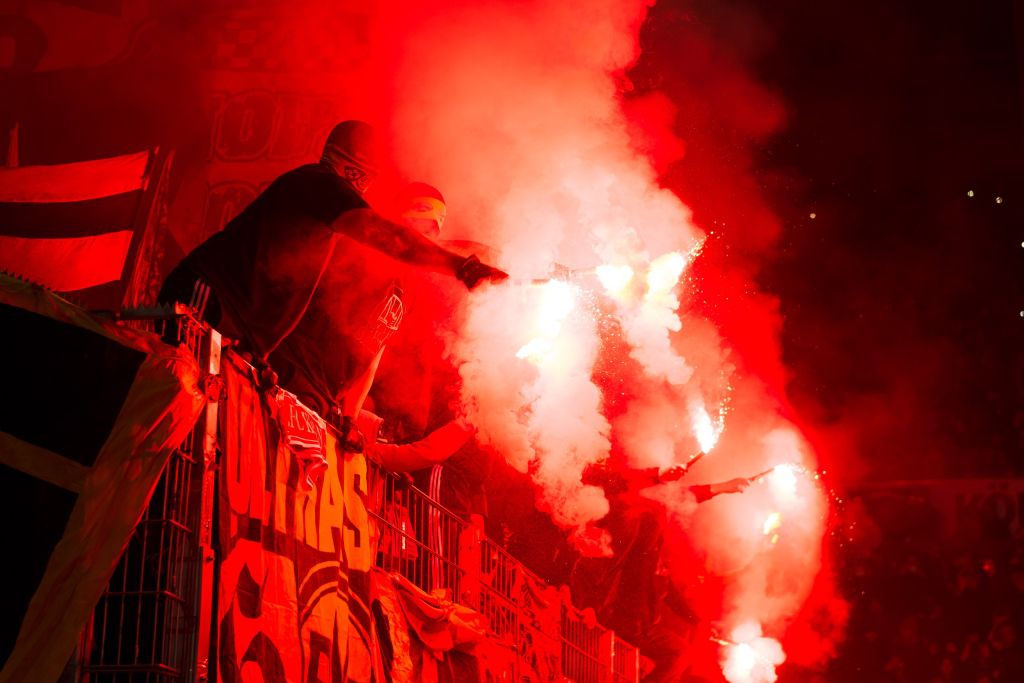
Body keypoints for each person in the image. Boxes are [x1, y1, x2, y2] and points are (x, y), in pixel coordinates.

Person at [159, 121, 506, 371]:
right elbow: (393, 238)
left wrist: (257, 354)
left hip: (233, 325)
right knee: (170, 401)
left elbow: (411, 242)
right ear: (357, 170)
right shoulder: (319, 184)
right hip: (207, 298)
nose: (370, 190)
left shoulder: (321, 206)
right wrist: (462, 267)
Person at [268, 181, 460, 430]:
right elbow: (298, 296)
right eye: (421, 225)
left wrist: (350, 416)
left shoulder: (409, 288)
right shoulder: (358, 248)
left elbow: (373, 352)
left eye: (432, 230)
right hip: (292, 372)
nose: (425, 236)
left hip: (324, 398)